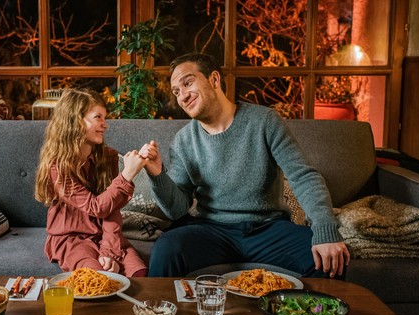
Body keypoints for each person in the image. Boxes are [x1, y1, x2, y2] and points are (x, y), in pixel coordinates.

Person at [139, 52, 350, 280]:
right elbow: (177, 208)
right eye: (176, 92)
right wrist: (158, 175)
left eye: (188, 83)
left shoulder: (265, 121)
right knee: (166, 249)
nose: (182, 96)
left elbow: (303, 176)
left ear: (214, 79)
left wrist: (325, 229)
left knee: (328, 260)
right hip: (211, 230)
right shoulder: (183, 140)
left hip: (268, 229)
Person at [35, 88, 149, 278]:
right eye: (98, 117)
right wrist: (127, 174)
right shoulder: (58, 166)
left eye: (105, 118)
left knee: (139, 272)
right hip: (71, 238)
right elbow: (96, 207)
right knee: (98, 277)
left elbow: (112, 209)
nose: (105, 125)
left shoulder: (108, 157)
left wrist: (109, 251)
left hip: (106, 234)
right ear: (76, 120)